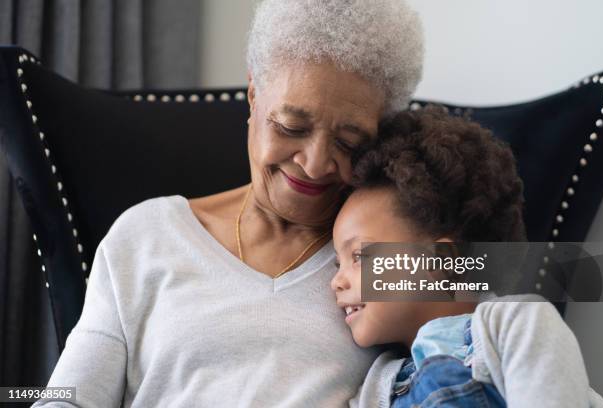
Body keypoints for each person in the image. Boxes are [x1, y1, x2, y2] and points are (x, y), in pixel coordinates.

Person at [33, 0, 424, 407]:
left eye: (349, 142)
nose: (315, 163)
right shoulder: (146, 235)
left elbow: (493, 310)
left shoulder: (387, 253)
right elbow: (67, 396)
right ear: (254, 95)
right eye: (293, 126)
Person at [331, 107, 603, 407]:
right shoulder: (375, 387)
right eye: (337, 263)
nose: (335, 281)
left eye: (358, 256)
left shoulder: (515, 325)